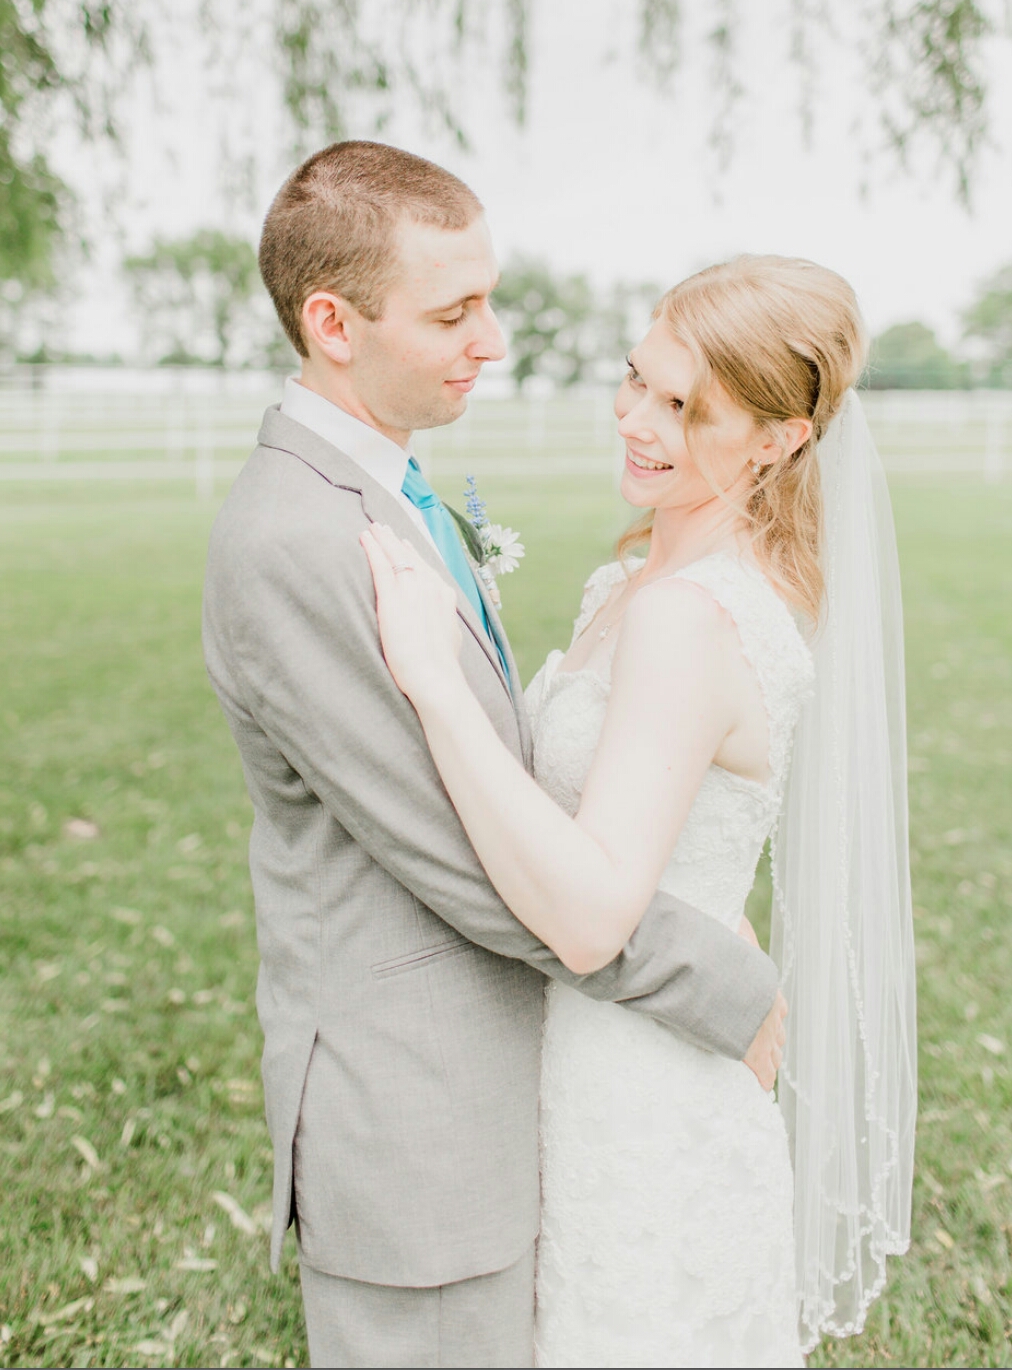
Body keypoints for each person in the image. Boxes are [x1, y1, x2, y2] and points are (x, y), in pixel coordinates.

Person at [202, 141, 787, 1369]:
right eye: (455, 310)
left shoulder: (388, 489)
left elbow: (505, 776)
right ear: (333, 323)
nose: (494, 339)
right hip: (412, 1126)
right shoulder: (297, 537)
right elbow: (460, 856)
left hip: (503, 1097)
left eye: (491, 298)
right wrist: (714, 974)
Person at [362, 254, 918, 1365]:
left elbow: (591, 916)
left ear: (777, 439)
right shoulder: (628, 588)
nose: (636, 420)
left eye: (683, 406)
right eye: (636, 380)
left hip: (639, 1091)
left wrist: (431, 681)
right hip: (598, 1043)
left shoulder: (690, 620)